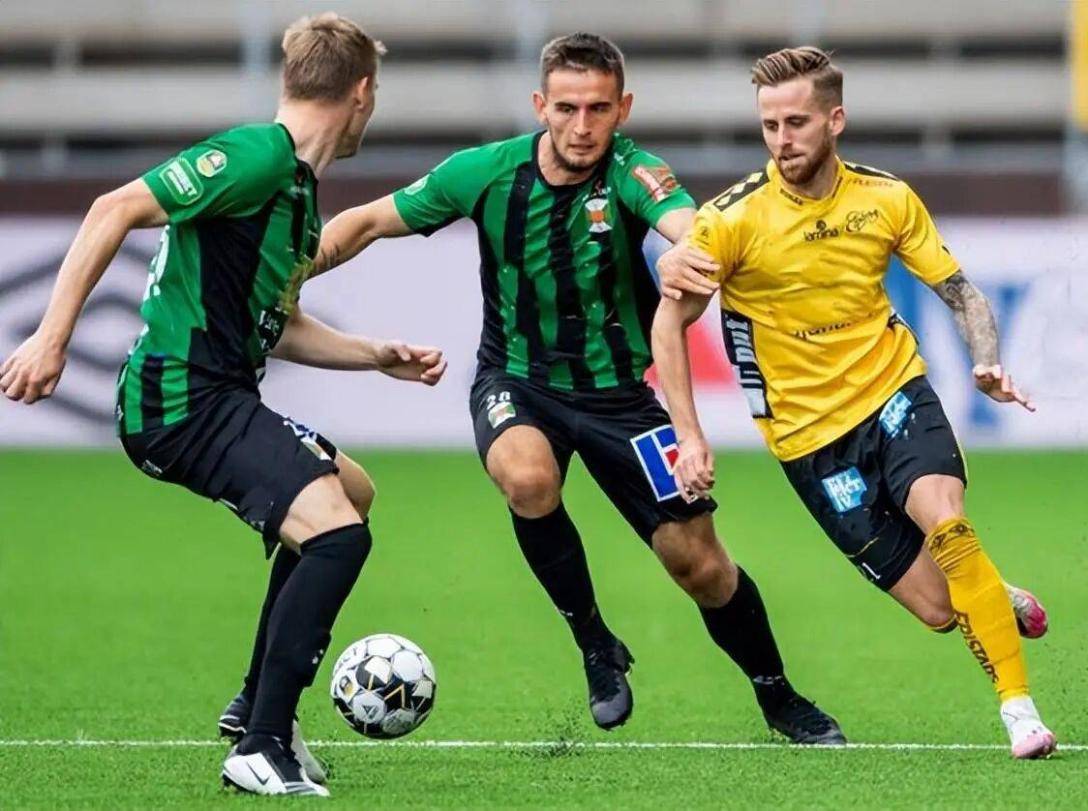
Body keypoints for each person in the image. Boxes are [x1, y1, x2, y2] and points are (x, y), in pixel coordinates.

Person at [314, 33, 843, 744]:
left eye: (599, 108)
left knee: (700, 566)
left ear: (623, 108)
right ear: (541, 106)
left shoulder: (633, 170)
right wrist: (284, 274)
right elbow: (364, 223)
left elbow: (684, 224)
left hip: (621, 398)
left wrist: (688, 252)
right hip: (517, 381)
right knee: (527, 478)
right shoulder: (484, 173)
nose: (582, 126)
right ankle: (595, 643)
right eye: (566, 108)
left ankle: (778, 695)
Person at [0, 13, 446, 795]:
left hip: (217, 391)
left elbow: (275, 325)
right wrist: (51, 336)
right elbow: (113, 208)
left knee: (351, 494)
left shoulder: (294, 192)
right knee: (337, 536)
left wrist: (372, 354)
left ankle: (254, 708)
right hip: (180, 398)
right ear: (362, 93)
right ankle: (263, 742)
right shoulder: (256, 155)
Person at [651, 46, 1056, 759]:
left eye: (797, 123)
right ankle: (993, 594)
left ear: (834, 120)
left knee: (947, 523)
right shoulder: (732, 219)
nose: (782, 140)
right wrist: (690, 435)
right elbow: (669, 324)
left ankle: (1018, 710)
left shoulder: (885, 198)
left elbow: (959, 292)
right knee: (939, 607)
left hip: (893, 393)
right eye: (769, 125)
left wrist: (986, 358)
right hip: (808, 441)